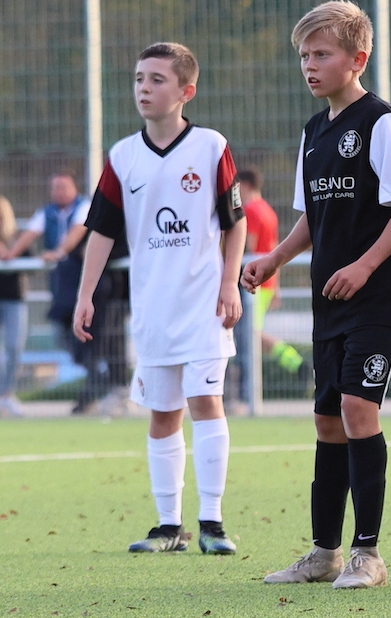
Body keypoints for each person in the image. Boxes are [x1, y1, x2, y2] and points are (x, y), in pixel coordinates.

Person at [246, 0, 391, 590]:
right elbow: (311, 217)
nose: (309, 65)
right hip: (331, 299)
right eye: (304, 55)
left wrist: (365, 265)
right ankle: (323, 553)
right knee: (326, 421)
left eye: (321, 54)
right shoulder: (313, 131)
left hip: (375, 296)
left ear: (357, 59)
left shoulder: (381, 123)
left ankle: (368, 554)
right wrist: (273, 258)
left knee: (356, 411)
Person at [72, 42, 246, 555]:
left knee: (206, 403)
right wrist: (86, 295)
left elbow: (234, 224)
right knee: (162, 413)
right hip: (152, 310)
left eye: (156, 79)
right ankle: (169, 527)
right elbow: (102, 232)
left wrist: (228, 282)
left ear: (186, 91)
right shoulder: (122, 156)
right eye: (138, 79)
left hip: (204, 307)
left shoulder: (211, 146)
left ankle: (212, 523)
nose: (144, 88)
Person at [1, 171, 102, 414]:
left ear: (74, 187)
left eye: (63, 186)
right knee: (64, 334)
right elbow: (30, 235)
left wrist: (59, 252)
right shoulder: (46, 213)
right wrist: (10, 254)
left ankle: (103, 379)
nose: (58, 192)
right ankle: (99, 376)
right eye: (55, 187)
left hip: (87, 284)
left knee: (95, 338)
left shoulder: (84, 207)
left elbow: (76, 232)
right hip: (63, 289)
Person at [234, 167, 311, 405]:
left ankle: (295, 366)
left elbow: (249, 247)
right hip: (267, 281)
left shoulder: (250, 211)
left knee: (248, 335)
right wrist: (276, 285)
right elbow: (275, 246)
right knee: (251, 334)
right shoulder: (268, 211)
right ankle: (296, 365)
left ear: (245, 185)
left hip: (254, 280)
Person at [0, 194, 27, 417]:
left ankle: (7, 394)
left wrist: (11, 254)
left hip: (14, 298)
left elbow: (30, 258)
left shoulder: (17, 237)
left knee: (14, 346)